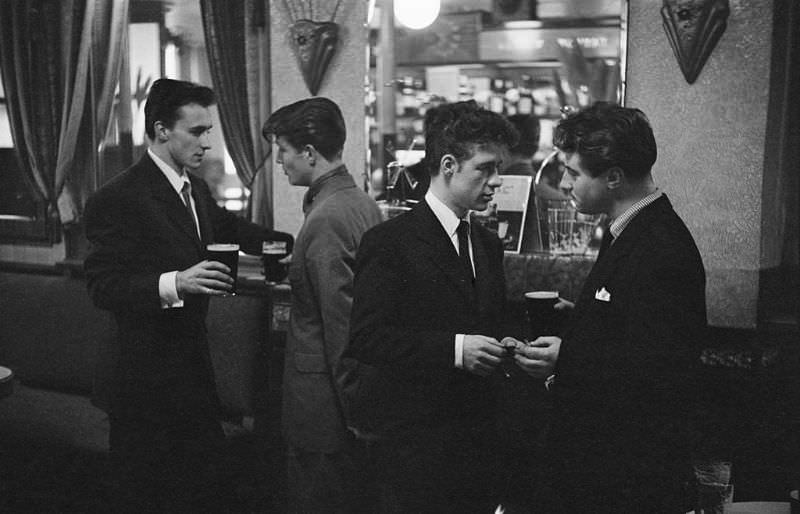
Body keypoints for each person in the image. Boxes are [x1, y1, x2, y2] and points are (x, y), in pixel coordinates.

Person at [83, 78, 293, 513]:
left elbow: (232, 230)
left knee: (198, 490)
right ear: (162, 130)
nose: (207, 144)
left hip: (192, 373)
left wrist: (293, 243)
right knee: (145, 495)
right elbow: (103, 287)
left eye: (208, 132)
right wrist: (176, 282)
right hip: (140, 382)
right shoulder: (117, 198)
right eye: (197, 132)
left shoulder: (193, 188)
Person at [511, 102, 707, 513]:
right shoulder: (628, 230)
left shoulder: (660, 249)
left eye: (574, 173)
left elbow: (658, 371)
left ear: (614, 177)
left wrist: (566, 358)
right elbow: (626, 327)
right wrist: (575, 318)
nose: (565, 183)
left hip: (627, 478)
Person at [343, 100, 519, 513]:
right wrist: (457, 350)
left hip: (478, 440)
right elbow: (367, 338)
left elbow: (485, 322)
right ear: (448, 165)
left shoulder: (487, 244)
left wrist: (510, 344)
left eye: (499, 170)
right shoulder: (390, 242)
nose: (497, 181)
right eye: (486, 168)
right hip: (416, 443)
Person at [261, 97, 383, 513]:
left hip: (324, 416)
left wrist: (360, 417)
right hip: (341, 413)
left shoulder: (326, 219)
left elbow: (343, 328)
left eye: (284, 151)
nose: (281, 162)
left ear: (309, 153)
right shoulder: (363, 205)